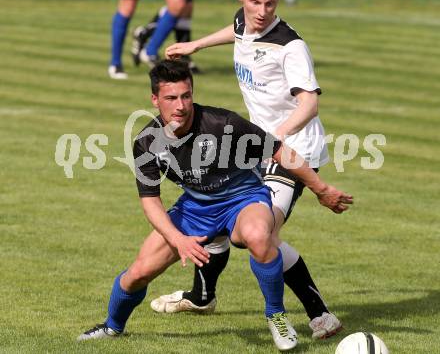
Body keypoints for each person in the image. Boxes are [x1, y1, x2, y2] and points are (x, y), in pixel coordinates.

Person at [77, 60, 352, 351]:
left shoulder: (223, 124)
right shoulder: (147, 142)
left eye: (186, 95)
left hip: (243, 198)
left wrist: (321, 189)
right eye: (171, 98)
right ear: (155, 99)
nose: (181, 105)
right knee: (138, 273)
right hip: (196, 207)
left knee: (259, 236)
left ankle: (276, 315)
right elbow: (151, 202)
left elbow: (279, 150)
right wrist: (178, 239)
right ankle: (111, 327)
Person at [158, 0, 343, 340]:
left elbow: (309, 104)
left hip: (292, 150)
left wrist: (273, 138)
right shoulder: (245, 22)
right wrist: (196, 44)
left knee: (254, 236)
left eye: (270, 5)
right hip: (257, 147)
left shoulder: (290, 47)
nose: (262, 13)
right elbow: (239, 31)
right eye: (256, 2)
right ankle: (202, 296)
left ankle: (321, 315)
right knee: (219, 206)